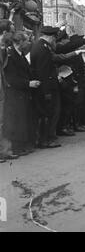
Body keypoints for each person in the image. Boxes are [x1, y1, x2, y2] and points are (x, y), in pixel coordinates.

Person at [30, 26, 85, 149]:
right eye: (54, 38)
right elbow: (43, 71)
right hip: (47, 87)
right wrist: (46, 91)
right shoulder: (42, 48)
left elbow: (54, 58)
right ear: (50, 37)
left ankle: (47, 139)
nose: (55, 40)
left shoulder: (41, 46)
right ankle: (47, 140)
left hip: (48, 86)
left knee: (50, 113)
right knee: (50, 113)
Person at [2, 31, 40, 156]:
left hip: (22, 94)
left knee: (23, 120)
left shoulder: (20, 54)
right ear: (20, 43)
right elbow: (12, 78)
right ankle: (17, 147)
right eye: (27, 41)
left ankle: (22, 146)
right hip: (15, 94)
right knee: (17, 121)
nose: (29, 43)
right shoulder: (11, 56)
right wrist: (28, 83)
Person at [0, 20, 18, 162]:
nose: (13, 35)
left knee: (3, 120)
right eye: (11, 32)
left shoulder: (4, 48)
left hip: (3, 89)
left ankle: (5, 151)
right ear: (4, 32)